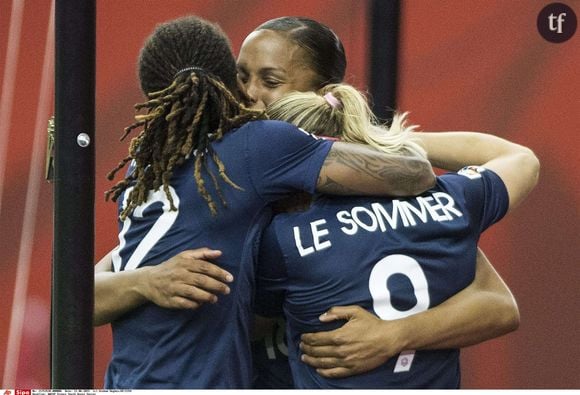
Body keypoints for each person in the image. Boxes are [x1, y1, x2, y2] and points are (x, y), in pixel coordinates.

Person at [94, 15, 523, 388]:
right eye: (240, 77)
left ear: (323, 93)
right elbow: (92, 292)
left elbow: (497, 305)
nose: (247, 95)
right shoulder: (223, 178)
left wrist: (395, 334)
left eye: (271, 81)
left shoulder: (372, 194)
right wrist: (146, 280)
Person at [254, 84, 539, 388]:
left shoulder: (284, 238)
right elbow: (522, 159)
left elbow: (239, 324)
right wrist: (385, 143)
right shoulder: (446, 200)